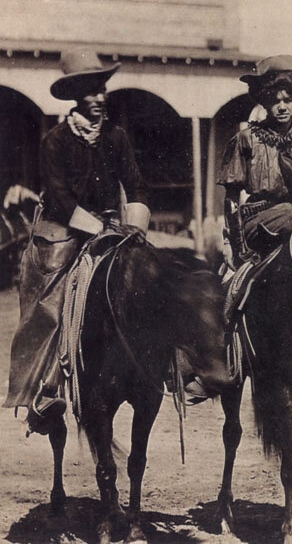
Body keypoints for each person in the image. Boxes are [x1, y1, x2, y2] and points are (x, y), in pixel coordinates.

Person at [4, 48, 149, 433]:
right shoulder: (55, 141)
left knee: (152, 278)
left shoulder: (116, 137)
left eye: (102, 89)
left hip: (112, 226)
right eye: (90, 92)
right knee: (53, 299)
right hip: (65, 228)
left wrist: (134, 227)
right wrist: (98, 230)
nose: (99, 98)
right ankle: (44, 387)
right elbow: (62, 198)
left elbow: (134, 184)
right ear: (75, 97)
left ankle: (173, 368)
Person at [218, 55, 292, 267]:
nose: (281, 107)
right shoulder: (246, 139)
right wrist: (231, 243)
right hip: (258, 220)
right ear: (265, 103)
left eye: (287, 100)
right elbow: (231, 198)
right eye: (274, 101)